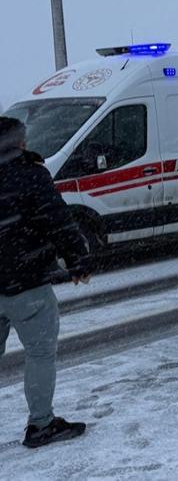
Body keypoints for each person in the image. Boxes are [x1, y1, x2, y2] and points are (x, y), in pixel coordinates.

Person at [0, 116, 92, 448]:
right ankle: (41, 424)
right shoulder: (29, 174)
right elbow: (58, 219)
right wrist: (78, 258)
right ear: (18, 142)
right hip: (26, 281)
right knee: (40, 353)